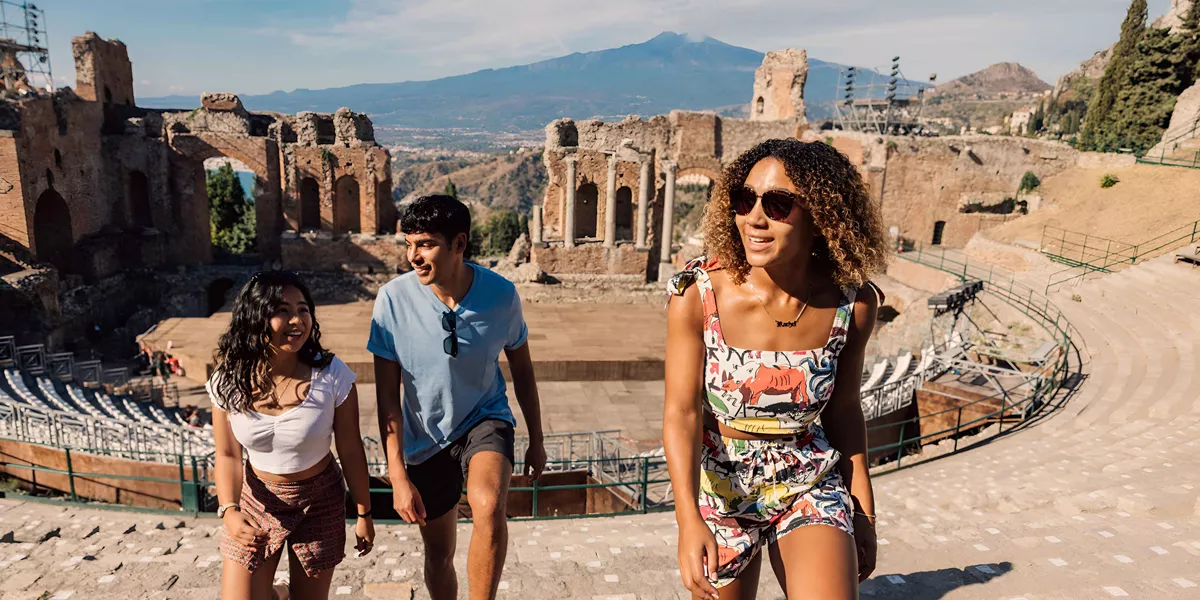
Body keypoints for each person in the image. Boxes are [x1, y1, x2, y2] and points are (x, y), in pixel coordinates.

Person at [663, 139, 889, 599]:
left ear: (821, 214)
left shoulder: (854, 304)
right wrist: (688, 520)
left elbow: (845, 411)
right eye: (745, 200)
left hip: (807, 475)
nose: (754, 218)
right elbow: (681, 413)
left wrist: (862, 511)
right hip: (722, 481)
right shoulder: (697, 295)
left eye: (778, 204)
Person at [369, 194, 547, 600]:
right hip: (423, 438)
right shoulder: (392, 300)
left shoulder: (501, 295)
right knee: (438, 555)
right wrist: (396, 474)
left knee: (487, 505)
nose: (413, 255)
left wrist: (536, 440)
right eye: (409, 243)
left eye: (426, 244)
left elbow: (522, 370)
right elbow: (387, 400)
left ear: (459, 244)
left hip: (485, 419)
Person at [208, 271, 375, 600]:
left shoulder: (332, 374)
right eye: (282, 310)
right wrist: (229, 511)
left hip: (320, 501)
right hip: (258, 500)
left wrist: (364, 514)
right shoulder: (227, 380)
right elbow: (227, 455)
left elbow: (351, 450)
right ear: (256, 316)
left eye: (303, 309)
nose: (297, 320)